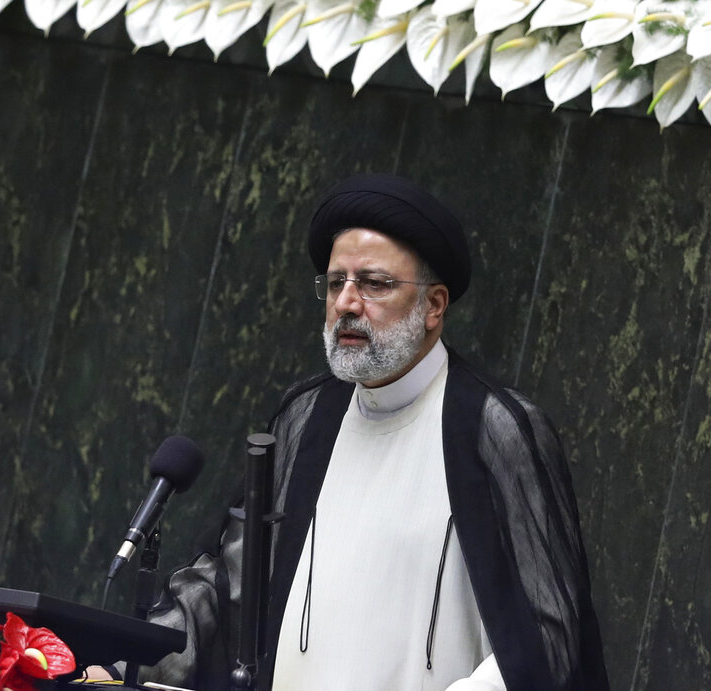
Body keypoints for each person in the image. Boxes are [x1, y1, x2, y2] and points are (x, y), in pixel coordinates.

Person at [121, 174, 610, 690]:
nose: (347, 304)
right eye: (336, 283)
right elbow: (227, 587)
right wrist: (113, 663)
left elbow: (548, 635)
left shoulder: (496, 429)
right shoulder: (305, 417)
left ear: (434, 306)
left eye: (374, 284)